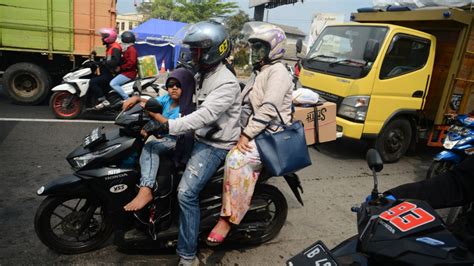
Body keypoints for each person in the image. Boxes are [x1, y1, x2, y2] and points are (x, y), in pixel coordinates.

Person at [141, 21, 241, 266]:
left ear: (212, 50)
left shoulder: (226, 83)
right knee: (154, 149)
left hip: (214, 145)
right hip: (195, 137)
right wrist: (142, 97)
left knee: (186, 193)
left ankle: (188, 256)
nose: (191, 54)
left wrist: (167, 126)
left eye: (196, 50)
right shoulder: (203, 73)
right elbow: (173, 87)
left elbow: (203, 116)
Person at [206, 22, 293, 245]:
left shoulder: (278, 72)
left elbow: (269, 108)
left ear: (275, 49)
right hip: (253, 130)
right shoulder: (261, 71)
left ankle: (228, 219)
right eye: (254, 48)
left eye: (261, 48)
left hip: (269, 136)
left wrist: (245, 136)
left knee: (236, 159)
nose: (255, 53)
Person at [122, 68, 195, 211]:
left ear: (185, 87)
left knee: (151, 148)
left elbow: (170, 125)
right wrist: (136, 98)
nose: (174, 88)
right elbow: (152, 102)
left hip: (176, 141)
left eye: (178, 85)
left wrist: (154, 115)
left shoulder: (186, 107)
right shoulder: (167, 99)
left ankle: (146, 188)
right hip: (162, 136)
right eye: (170, 85)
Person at [89, 28, 122, 110]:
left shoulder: (115, 48)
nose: (102, 38)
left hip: (111, 74)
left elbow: (115, 61)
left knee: (92, 82)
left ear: (109, 38)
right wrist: (97, 61)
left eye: (103, 37)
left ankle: (103, 101)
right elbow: (107, 60)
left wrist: (102, 63)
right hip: (108, 72)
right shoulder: (110, 47)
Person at [106, 31, 138, 104]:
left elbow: (131, 63)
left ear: (126, 40)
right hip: (125, 72)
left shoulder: (131, 50)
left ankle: (127, 99)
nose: (121, 41)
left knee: (113, 84)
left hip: (129, 73)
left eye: (122, 39)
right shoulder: (128, 49)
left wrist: (121, 68)